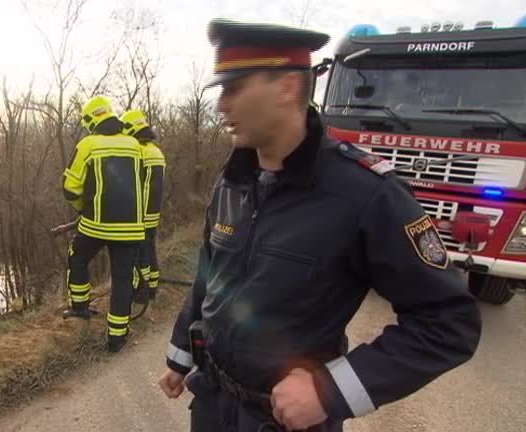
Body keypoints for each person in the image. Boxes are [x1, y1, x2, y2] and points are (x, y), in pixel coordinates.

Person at [157, 18, 482, 432]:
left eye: (234, 88)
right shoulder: (233, 180)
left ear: (288, 87)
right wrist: (180, 357)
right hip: (212, 406)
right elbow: (209, 275)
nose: (221, 105)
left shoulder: (366, 194)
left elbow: (449, 323)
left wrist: (331, 391)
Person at [62, 95, 145, 353]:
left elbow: (70, 188)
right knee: (122, 279)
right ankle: (116, 338)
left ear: (90, 120)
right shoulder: (134, 145)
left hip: (96, 224)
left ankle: (79, 307)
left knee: (77, 258)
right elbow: (140, 184)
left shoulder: (88, 144)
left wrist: (83, 209)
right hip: (131, 226)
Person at [120, 109, 166, 303]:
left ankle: (142, 291)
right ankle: (153, 288)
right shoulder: (156, 151)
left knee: (140, 254)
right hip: (153, 212)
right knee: (150, 248)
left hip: (140, 213)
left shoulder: (138, 152)